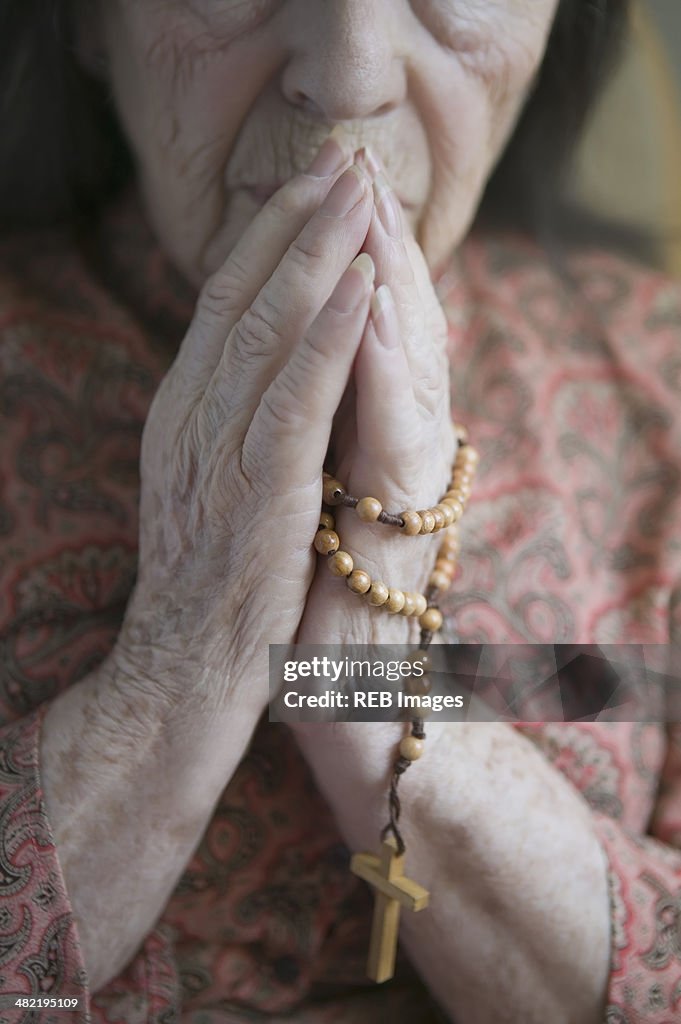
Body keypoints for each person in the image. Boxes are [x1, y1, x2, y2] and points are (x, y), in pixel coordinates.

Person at [0, 1, 679, 1022]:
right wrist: (180, 664)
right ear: (91, 22)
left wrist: (377, 701)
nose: (351, 79)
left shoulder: (659, 386)